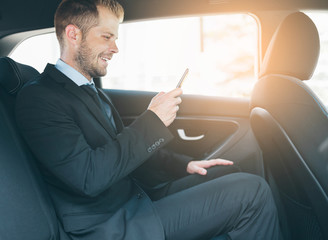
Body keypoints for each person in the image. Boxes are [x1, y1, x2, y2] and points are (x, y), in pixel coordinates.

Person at [15, 0, 281, 239]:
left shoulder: (91, 91)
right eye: (107, 36)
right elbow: (89, 178)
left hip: (135, 200)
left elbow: (123, 155)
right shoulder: (39, 98)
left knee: (226, 172)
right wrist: (152, 120)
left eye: (116, 38)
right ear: (74, 34)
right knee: (252, 192)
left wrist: (185, 165)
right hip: (107, 225)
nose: (115, 48)